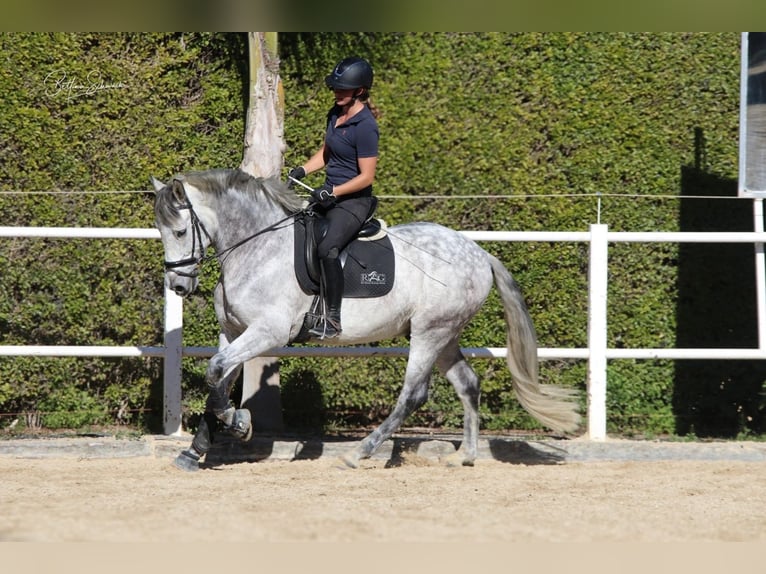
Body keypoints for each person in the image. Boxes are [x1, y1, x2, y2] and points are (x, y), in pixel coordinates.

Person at [287, 56, 380, 339]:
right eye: (335, 88)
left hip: (354, 203)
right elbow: (327, 153)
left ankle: (333, 317)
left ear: (360, 91)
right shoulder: (335, 114)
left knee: (327, 247)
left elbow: (366, 177)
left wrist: (333, 191)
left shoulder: (366, 126)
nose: (337, 93)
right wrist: (303, 169)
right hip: (329, 196)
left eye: (343, 89)